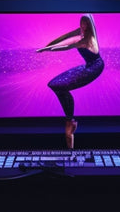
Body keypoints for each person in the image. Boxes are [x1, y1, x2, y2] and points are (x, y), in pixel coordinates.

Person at [37, 14, 104, 148]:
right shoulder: (81, 32)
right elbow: (64, 39)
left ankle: (70, 120)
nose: (83, 26)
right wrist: (48, 45)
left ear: (90, 25)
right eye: (82, 23)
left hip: (95, 67)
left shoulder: (88, 39)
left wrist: (47, 49)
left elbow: (66, 46)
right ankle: (69, 120)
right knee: (54, 84)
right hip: (88, 65)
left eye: (86, 24)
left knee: (59, 86)